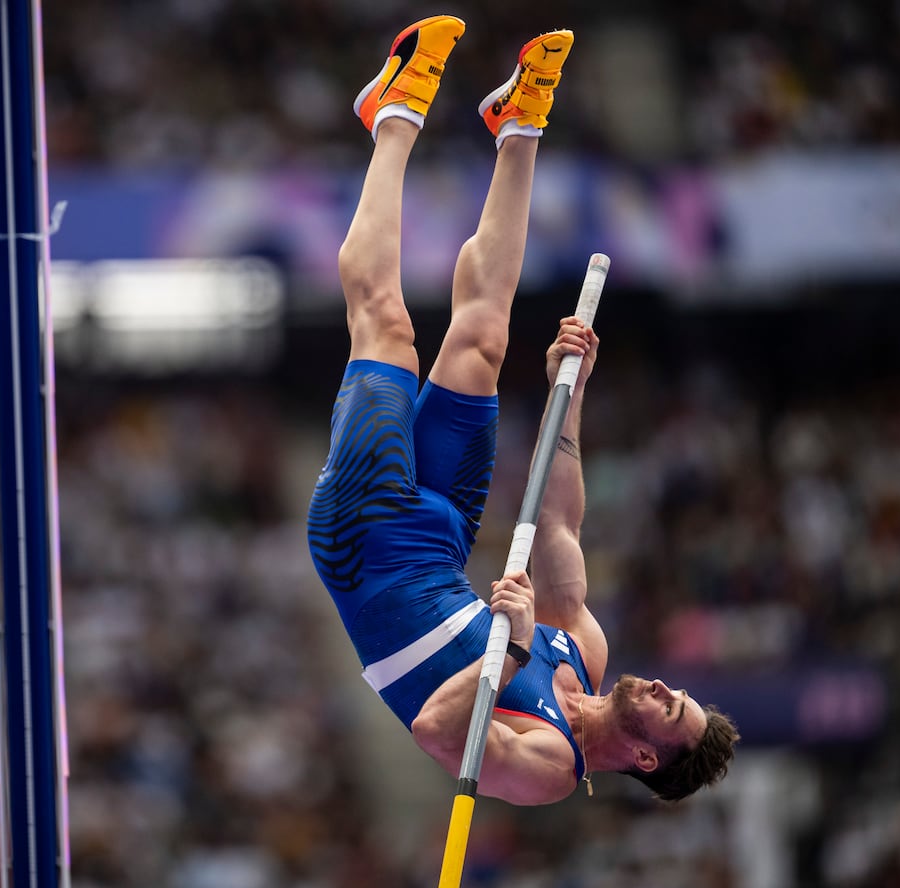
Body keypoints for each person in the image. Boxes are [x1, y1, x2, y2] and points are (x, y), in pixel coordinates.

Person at [307, 16, 738, 806]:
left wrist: (505, 656)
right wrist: (568, 390)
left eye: (668, 706)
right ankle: (520, 124)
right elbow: (562, 524)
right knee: (482, 340)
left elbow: (439, 734)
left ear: (646, 757)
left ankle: (392, 116)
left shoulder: (548, 766)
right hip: (441, 535)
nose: (662, 684)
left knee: (389, 326)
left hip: (365, 550)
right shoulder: (585, 654)